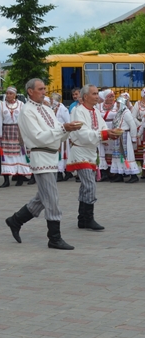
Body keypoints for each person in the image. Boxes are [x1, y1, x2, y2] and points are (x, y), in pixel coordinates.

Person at [5, 78, 82, 250]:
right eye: (40, 89)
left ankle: (16, 220)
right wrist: (63, 129)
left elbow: (57, 133)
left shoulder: (47, 109)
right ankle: (54, 237)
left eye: (45, 88)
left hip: (51, 156)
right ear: (30, 91)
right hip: (40, 155)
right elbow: (37, 136)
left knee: (43, 196)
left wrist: (67, 129)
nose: (44, 91)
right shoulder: (26, 111)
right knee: (51, 197)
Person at [66, 84, 119, 231]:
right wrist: (104, 134)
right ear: (85, 97)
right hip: (80, 151)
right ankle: (88, 218)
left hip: (90, 152)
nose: (97, 96)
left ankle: (82, 219)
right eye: (94, 94)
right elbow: (83, 134)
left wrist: (110, 133)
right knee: (90, 184)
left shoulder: (95, 111)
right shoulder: (78, 111)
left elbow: (102, 128)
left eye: (97, 93)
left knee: (86, 186)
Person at [0, 86, 30, 187]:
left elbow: (25, 120)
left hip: (18, 132)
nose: (8, 95)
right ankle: (6, 180)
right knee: (5, 156)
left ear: (15, 94)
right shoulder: (1, 105)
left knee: (19, 156)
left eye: (10, 93)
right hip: (6, 132)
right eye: (7, 93)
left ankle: (20, 178)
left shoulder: (21, 105)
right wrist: (0, 134)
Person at [110, 95, 139, 183]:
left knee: (127, 155)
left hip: (125, 136)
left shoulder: (126, 112)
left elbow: (132, 125)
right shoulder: (119, 113)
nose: (117, 105)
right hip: (118, 136)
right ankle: (119, 174)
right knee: (118, 156)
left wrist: (134, 138)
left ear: (122, 103)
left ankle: (134, 175)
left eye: (119, 103)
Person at [51, 92, 73, 182]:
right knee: (57, 153)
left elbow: (68, 121)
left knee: (62, 154)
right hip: (55, 134)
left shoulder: (63, 109)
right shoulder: (52, 108)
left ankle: (63, 172)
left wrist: (69, 135)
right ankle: (64, 172)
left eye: (52, 99)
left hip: (63, 134)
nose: (51, 101)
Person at [98, 90, 116, 181]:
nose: (111, 98)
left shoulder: (117, 105)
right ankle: (104, 172)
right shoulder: (99, 106)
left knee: (112, 150)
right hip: (103, 128)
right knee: (103, 150)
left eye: (112, 96)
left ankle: (112, 172)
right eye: (109, 96)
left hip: (113, 128)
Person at [131, 88, 145, 169]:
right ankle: (142, 170)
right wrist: (140, 124)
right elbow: (133, 116)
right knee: (139, 151)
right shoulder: (138, 104)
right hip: (140, 127)